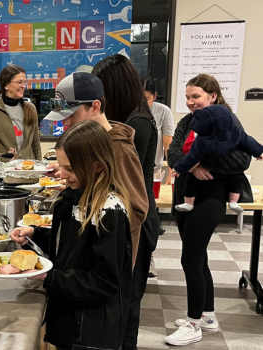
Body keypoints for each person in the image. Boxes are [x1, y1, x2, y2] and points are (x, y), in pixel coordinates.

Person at [11, 120, 133, 350]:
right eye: (61, 166)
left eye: (70, 168)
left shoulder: (109, 211)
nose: (62, 175)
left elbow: (104, 282)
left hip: (91, 331)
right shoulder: (71, 198)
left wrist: (49, 278)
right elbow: (68, 247)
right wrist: (35, 235)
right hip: (67, 319)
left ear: (97, 165)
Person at [165, 73, 253, 346]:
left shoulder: (226, 120)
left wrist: (207, 165)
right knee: (197, 257)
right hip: (185, 195)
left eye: (196, 97)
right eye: (188, 97)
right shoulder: (187, 121)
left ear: (212, 96)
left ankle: (193, 323)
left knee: (190, 258)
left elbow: (242, 158)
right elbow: (174, 154)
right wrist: (193, 165)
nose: (191, 102)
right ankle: (208, 316)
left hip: (211, 198)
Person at [43, 71, 148, 266]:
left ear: (95, 106)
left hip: (105, 263)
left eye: (71, 115)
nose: (65, 122)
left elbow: (138, 207)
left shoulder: (118, 149)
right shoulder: (90, 144)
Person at [92, 54, 161, 350]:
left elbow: (121, 174)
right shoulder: (130, 118)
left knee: (127, 302)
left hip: (137, 221)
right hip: (129, 217)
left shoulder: (137, 123)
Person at [174, 104, 263, 213]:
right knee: (191, 177)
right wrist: (180, 168)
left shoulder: (232, 133)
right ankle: (190, 203)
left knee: (236, 176)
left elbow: (248, 142)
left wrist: (258, 152)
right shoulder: (205, 139)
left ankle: (232, 201)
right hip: (212, 164)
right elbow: (192, 157)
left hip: (220, 165)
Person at [0, 64, 42, 162]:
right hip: (2, 169)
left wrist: (39, 166)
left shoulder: (30, 108)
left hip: (28, 169)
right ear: (6, 85)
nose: (23, 86)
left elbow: (35, 142)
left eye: (24, 82)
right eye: (19, 82)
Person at [142, 78, 175, 175]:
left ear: (155, 96)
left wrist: (170, 172)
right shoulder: (131, 110)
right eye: (140, 99)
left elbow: (167, 144)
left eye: (147, 99)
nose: (142, 103)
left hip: (154, 169)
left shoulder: (163, 111)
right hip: (133, 169)